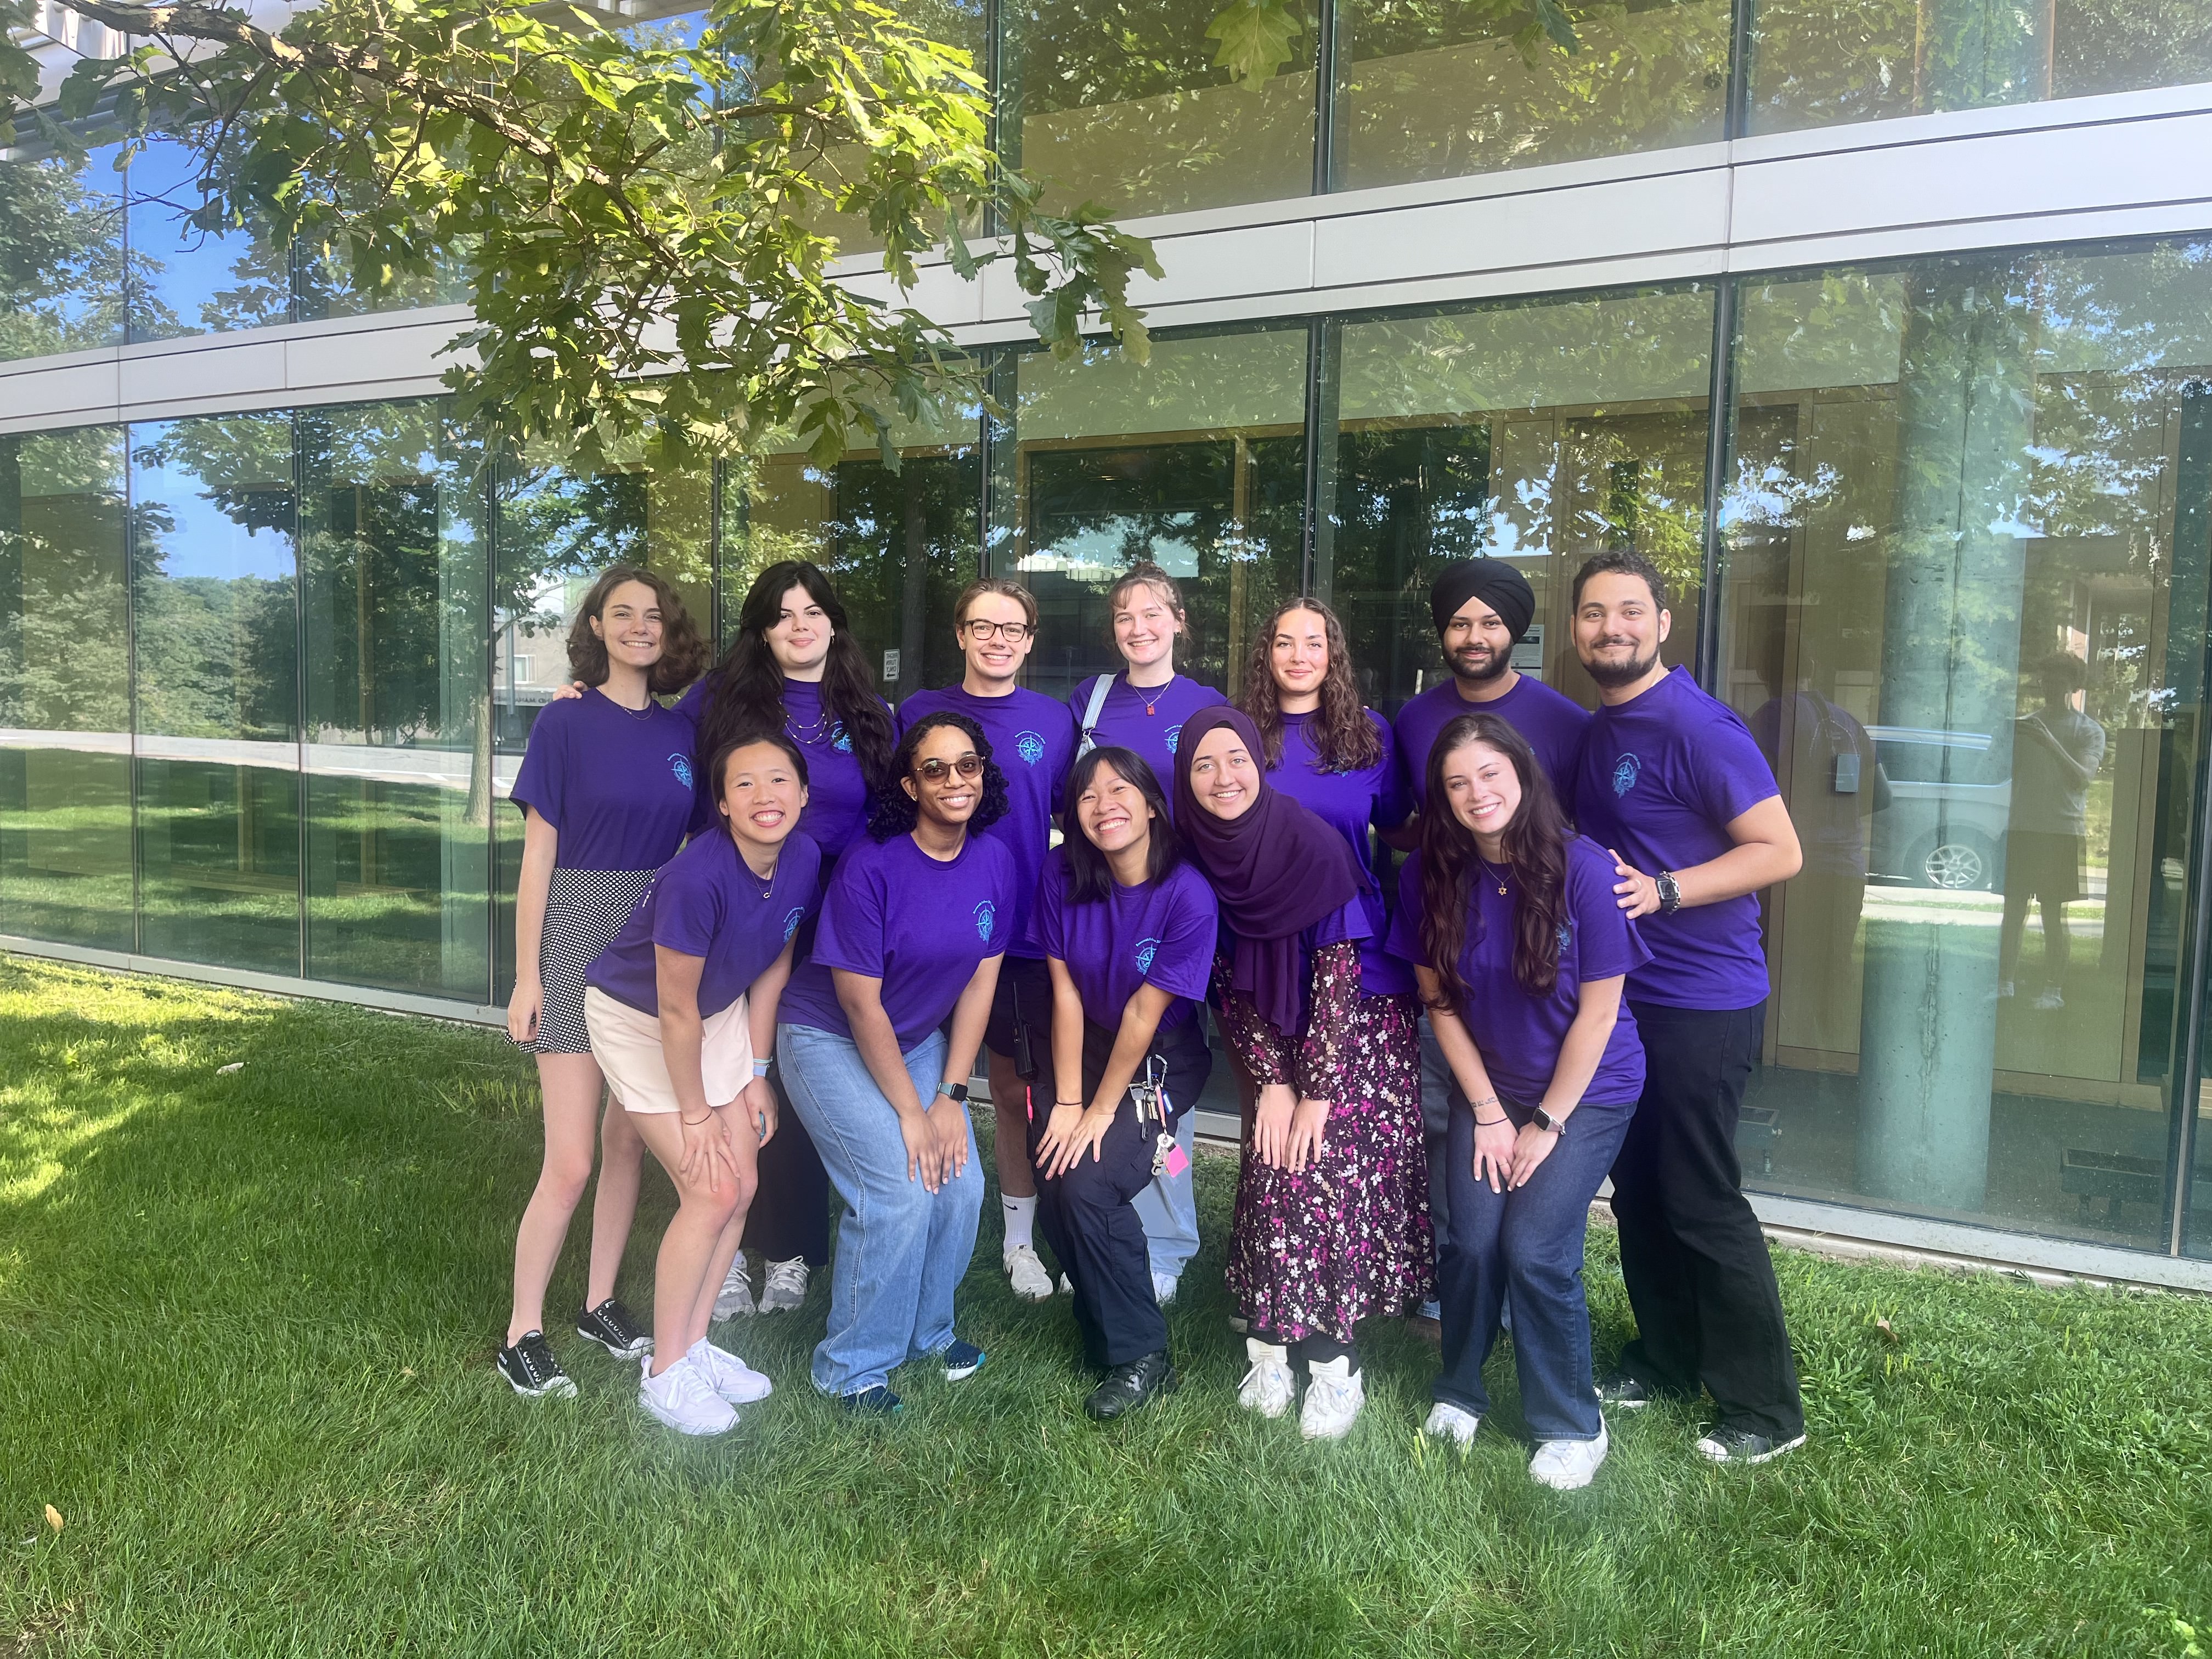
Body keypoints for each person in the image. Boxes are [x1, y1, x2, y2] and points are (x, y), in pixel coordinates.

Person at [1568, 549, 1808, 1466]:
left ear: (1662, 623)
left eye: (1630, 610)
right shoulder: (1603, 730)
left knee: (1700, 1195)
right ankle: (1662, 1358)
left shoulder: (1697, 725)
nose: (1610, 627)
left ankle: (1763, 1406)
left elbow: (1777, 849)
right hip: (1626, 997)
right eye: (1593, 613)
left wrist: (1664, 890)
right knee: (1637, 1191)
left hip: (1703, 999)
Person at [1387, 713, 1649, 1490]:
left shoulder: (1586, 869)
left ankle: (1572, 1423)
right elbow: (1438, 1006)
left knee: (1534, 1249)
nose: (1477, 794)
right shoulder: (1430, 874)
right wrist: (1494, 1113)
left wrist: (1548, 1123)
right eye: (1457, 783)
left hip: (1588, 1092)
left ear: (1523, 774)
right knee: (1469, 1241)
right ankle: (1460, 1388)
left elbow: (1600, 1015)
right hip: (1490, 1088)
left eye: (1490, 775)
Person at [1176, 707, 1431, 1440]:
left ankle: (1333, 1367)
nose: (1223, 778)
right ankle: (1268, 1347)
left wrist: (1315, 1090)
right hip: (1271, 1044)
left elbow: (1339, 974)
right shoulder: (1201, 854)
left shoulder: (1309, 843)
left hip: (1351, 1036)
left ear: (1259, 765)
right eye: (1204, 766)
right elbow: (1229, 980)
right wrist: (1273, 1083)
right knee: (1269, 1175)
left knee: (1313, 1179)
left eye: (1236, 760)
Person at [497, 566, 709, 1399]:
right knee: (573, 1158)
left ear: (668, 632)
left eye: (651, 616)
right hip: (576, 929)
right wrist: (526, 977)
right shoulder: (565, 722)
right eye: (620, 614)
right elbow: (538, 858)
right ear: (595, 627)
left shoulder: (682, 732)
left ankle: (599, 1302)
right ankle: (523, 1332)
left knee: (629, 1140)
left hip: (650, 937)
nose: (638, 627)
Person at [774, 710, 1015, 1413]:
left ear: (983, 772)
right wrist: (912, 1115)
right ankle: (850, 1365)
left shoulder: (995, 861)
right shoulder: (872, 865)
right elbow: (859, 1004)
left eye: (966, 765)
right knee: (899, 1187)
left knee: (960, 1183)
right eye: (934, 770)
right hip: (826, 1036)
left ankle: (926, 1332)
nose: (954, 781)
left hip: (916, 1042)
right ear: (909, 785)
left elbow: (980, 982)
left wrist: (949, 1096)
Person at [580, 734, 822, 1434]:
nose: (765, 796)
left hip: (718, 1017)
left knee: (742, 1185)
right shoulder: (697, 879)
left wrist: (755, 1074)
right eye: (743, 785)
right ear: (721, 805)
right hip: (638, 1019)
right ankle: (663, 1378)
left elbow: (774, 964)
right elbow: (673, 1010)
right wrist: (695, 1115)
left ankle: (692, 1346)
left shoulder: (802, 857)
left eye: (779, 780)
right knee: (709, 1186)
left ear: (804, 794)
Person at [688, 561, 896, 1319]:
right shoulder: (720, 701)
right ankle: (725, 1245)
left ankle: (791, 1250)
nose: (801, 625)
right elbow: (661, 761)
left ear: (834, 622)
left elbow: (891, 824)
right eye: (783, 615)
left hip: (831, 926)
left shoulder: (870, 711)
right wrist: (584, 703)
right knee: (727, 1076)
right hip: (739, 912)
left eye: (814, 611)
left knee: (797, 1087)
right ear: (763, 630)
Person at [1391, 558, 1592, 1336]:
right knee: (1448, 1115)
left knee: (1544, 1126)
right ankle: (1457, 1275)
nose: (1474, 637)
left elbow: (1583, 838)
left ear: (1516, 629)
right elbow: (1412, 824)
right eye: (1459, 623)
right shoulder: (1414, 719)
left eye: (1490, 623)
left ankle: (1535, 1276)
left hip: (1543, 955)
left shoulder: (1566, 723)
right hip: (1454, 934)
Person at [899, 579, 1078, 1306]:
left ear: (1030, 640)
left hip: (1021, 932)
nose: (999, 639)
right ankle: (907, 1218)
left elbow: (1084, 813)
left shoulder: (1056, 720)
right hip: (922, 929)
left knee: (1013, 1089)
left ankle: (1017, 1241)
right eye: (984, 626)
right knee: (909, 1081)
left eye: (1014, 628)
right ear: (961, 634)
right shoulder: (919, 714)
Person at [1032, 747, 1217, 1420]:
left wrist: (1101, 1110)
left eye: (1120, 790)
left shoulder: (1187, 893)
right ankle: (1104, 1313)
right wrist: (1070, 1102)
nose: (1104, 804)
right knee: (1054, 1175)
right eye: (1087, 795)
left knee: (1092, 1182)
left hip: (1159, 1060)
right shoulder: (1062, 873)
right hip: (1085, 1047)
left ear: (1152, 805)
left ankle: (1144, 1356)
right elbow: (1066, 992)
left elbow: (1146, 1011)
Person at [1067, 562, 1226, 1302]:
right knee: (1107, 1050)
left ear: (1179, 620)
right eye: (1125, 616)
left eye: (1153, 613)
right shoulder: (1090, 699)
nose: (1139, 627)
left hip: (1176, 909)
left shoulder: (1206, 706)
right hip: (1102, 901)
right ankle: (1105, 1211)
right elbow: (1078, 800)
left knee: (1162, 1071)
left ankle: (1168, 1240)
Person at [2000, 652, 2106, 1011]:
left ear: (2073, 686)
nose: (2048, 686)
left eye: (2057, 680)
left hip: (2062, 832)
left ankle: (2052, 992)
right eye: (2044, 679)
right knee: (2012, 912)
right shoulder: (2026, 725)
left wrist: (2049, 743)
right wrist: (2001, 742)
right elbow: (1997, 772)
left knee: (2053, 916)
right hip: (2022, 828)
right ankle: (2004, 984)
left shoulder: (2088, 730)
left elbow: (2082, 779)